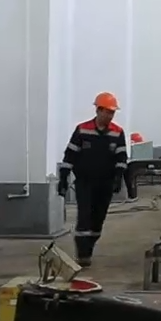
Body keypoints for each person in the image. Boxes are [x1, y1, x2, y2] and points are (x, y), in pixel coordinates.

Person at [58, 91, 136, 265]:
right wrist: (63, 177)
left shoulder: (117, 132)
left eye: (112, 113)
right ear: (98, 110)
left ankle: (89, 246)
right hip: (85, 182)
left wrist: (118, 178)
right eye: (108, 112)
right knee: (84, 216)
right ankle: (83, 254)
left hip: (105, 184)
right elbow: (70, 154)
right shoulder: (82, 130)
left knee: (98, 219)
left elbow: (121, 158)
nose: (110, 116)